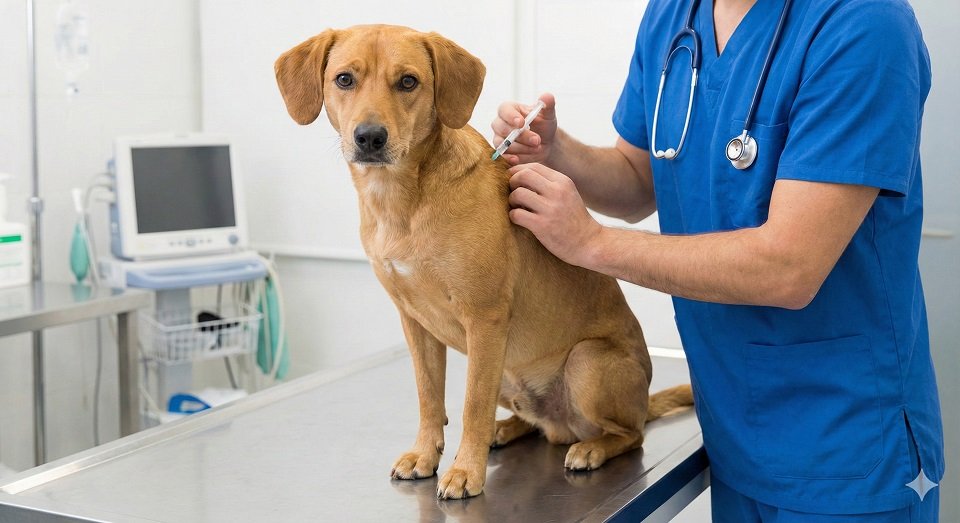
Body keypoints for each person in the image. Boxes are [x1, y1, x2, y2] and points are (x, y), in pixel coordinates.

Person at [492, 0, 944, 520]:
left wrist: (590, 243)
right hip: (733, 434)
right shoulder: (673, 14)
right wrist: (556, 151)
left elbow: (789, 268)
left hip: (847, 446)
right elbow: (636, 180)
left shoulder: (863, 25)